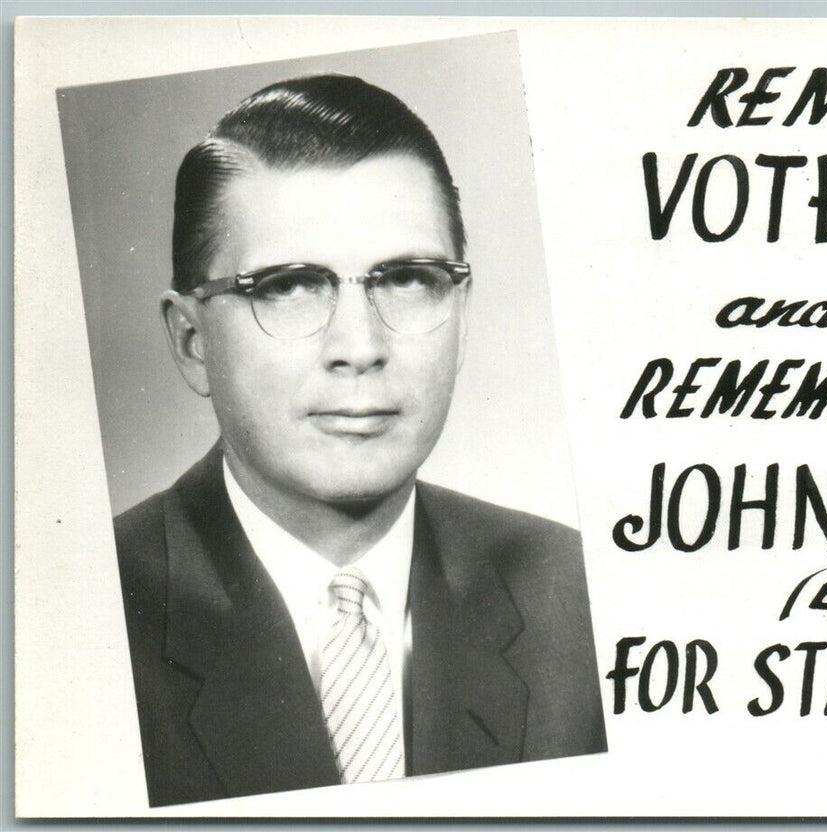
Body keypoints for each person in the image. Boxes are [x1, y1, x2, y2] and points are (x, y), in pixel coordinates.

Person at [112, 74, 606, 807]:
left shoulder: (582, 598)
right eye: (287, 286)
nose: (359, 346)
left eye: (406, 277)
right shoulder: (78, 618)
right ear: (191, 342)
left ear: (461, 314)